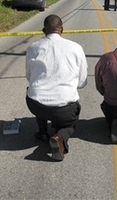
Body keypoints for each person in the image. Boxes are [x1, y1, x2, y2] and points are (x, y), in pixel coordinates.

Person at [25, 14, 88, 161]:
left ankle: (42, 131)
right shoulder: (75, 48)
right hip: (64, 109)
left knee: (34, 92)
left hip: (36, 105)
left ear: (43, 30)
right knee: (71, 121)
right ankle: (59, 137)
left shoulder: (33, 48)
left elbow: (30, 77)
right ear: (62, 29)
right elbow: (82, 82)